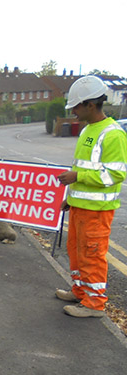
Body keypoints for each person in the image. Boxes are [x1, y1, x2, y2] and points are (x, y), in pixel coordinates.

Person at [56, 75, 127, 318]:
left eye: (76, 106)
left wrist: (78, 177)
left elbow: (116, 174)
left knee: (92, 254)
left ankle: (95, 304)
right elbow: (85, 168)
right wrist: (71, 197)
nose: (73, 111)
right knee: (76, 251)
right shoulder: (88, 129)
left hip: (97, 211)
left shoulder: (113, 134)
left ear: (90, 104)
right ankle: (81, 292)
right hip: (80, 206)